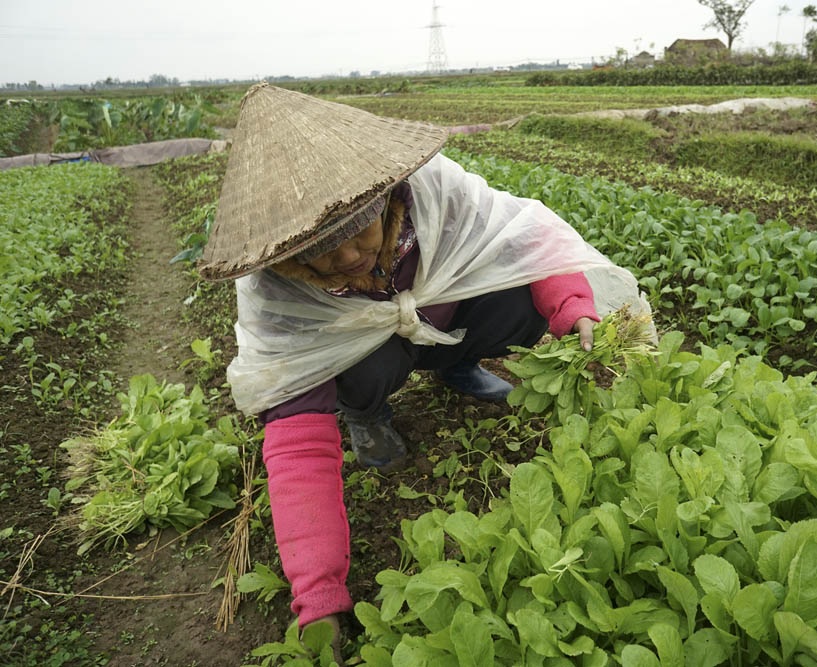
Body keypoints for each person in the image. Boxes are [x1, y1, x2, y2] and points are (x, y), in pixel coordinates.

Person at [198, 83, 649, 660]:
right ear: (287, 256)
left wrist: (570, 306)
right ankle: (366, 412)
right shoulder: (275, 293)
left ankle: (456, 363)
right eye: (321, 250)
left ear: (386, 197)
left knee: (516, 302)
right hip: (369, 360)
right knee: (358, 370)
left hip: (444, 320)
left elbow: (525, 237)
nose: (347, 256)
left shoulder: (432, 193)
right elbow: (296, 444)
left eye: (359, 227)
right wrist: (318, 597)